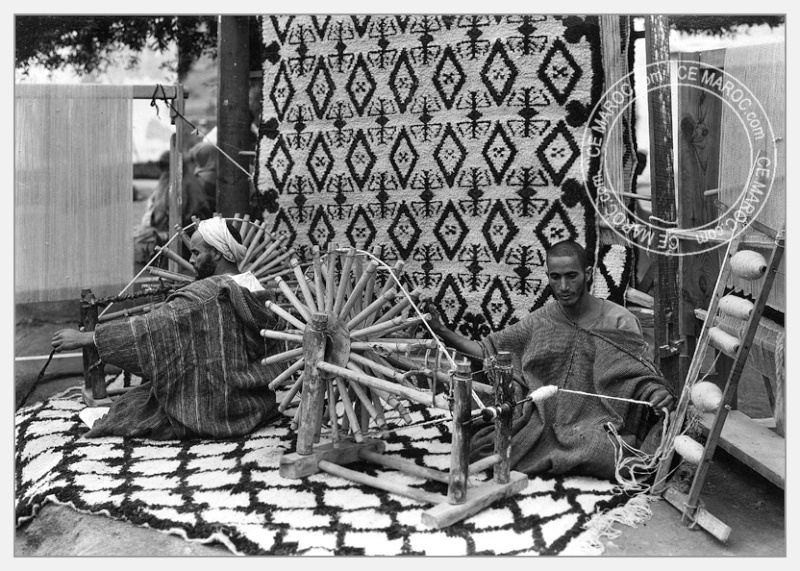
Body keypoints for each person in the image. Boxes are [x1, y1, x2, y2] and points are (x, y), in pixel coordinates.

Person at [425, 239, 676, 480]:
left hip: (593, 423)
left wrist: (656, 393)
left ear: (588, 274)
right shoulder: (541, 319)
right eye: (555, 277)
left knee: (602, 450)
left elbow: (637, 375)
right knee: (486, 442)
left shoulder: (618, 320)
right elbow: (489, 350)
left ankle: (566, 455)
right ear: (548, 277)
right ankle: (559, 454)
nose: (563, 287)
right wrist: (442, 331)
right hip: (541, 419)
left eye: (571, 276)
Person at [51, 217, 285, 440]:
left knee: (131, 410)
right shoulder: (256, 288)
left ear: (216, 252)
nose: (192, 260)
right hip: (255, 404)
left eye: (196, 253)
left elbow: (149, 330)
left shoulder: (207, 296)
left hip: (218, 408)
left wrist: (86, 338)